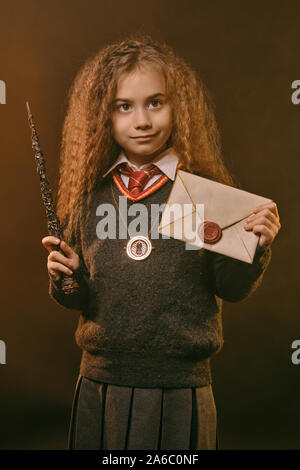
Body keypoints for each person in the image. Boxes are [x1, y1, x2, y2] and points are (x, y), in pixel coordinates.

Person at [41, 32, 281, 450]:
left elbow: (232, 287)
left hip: (181, 387)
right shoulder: (89, 194)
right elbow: (77, 299)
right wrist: (68, 276)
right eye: (124, 107)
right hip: (102, 382)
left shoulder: (200, 194)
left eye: (156, 102)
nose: (142, 121)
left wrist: (257, 245)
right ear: (104, 115)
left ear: (178, 107)